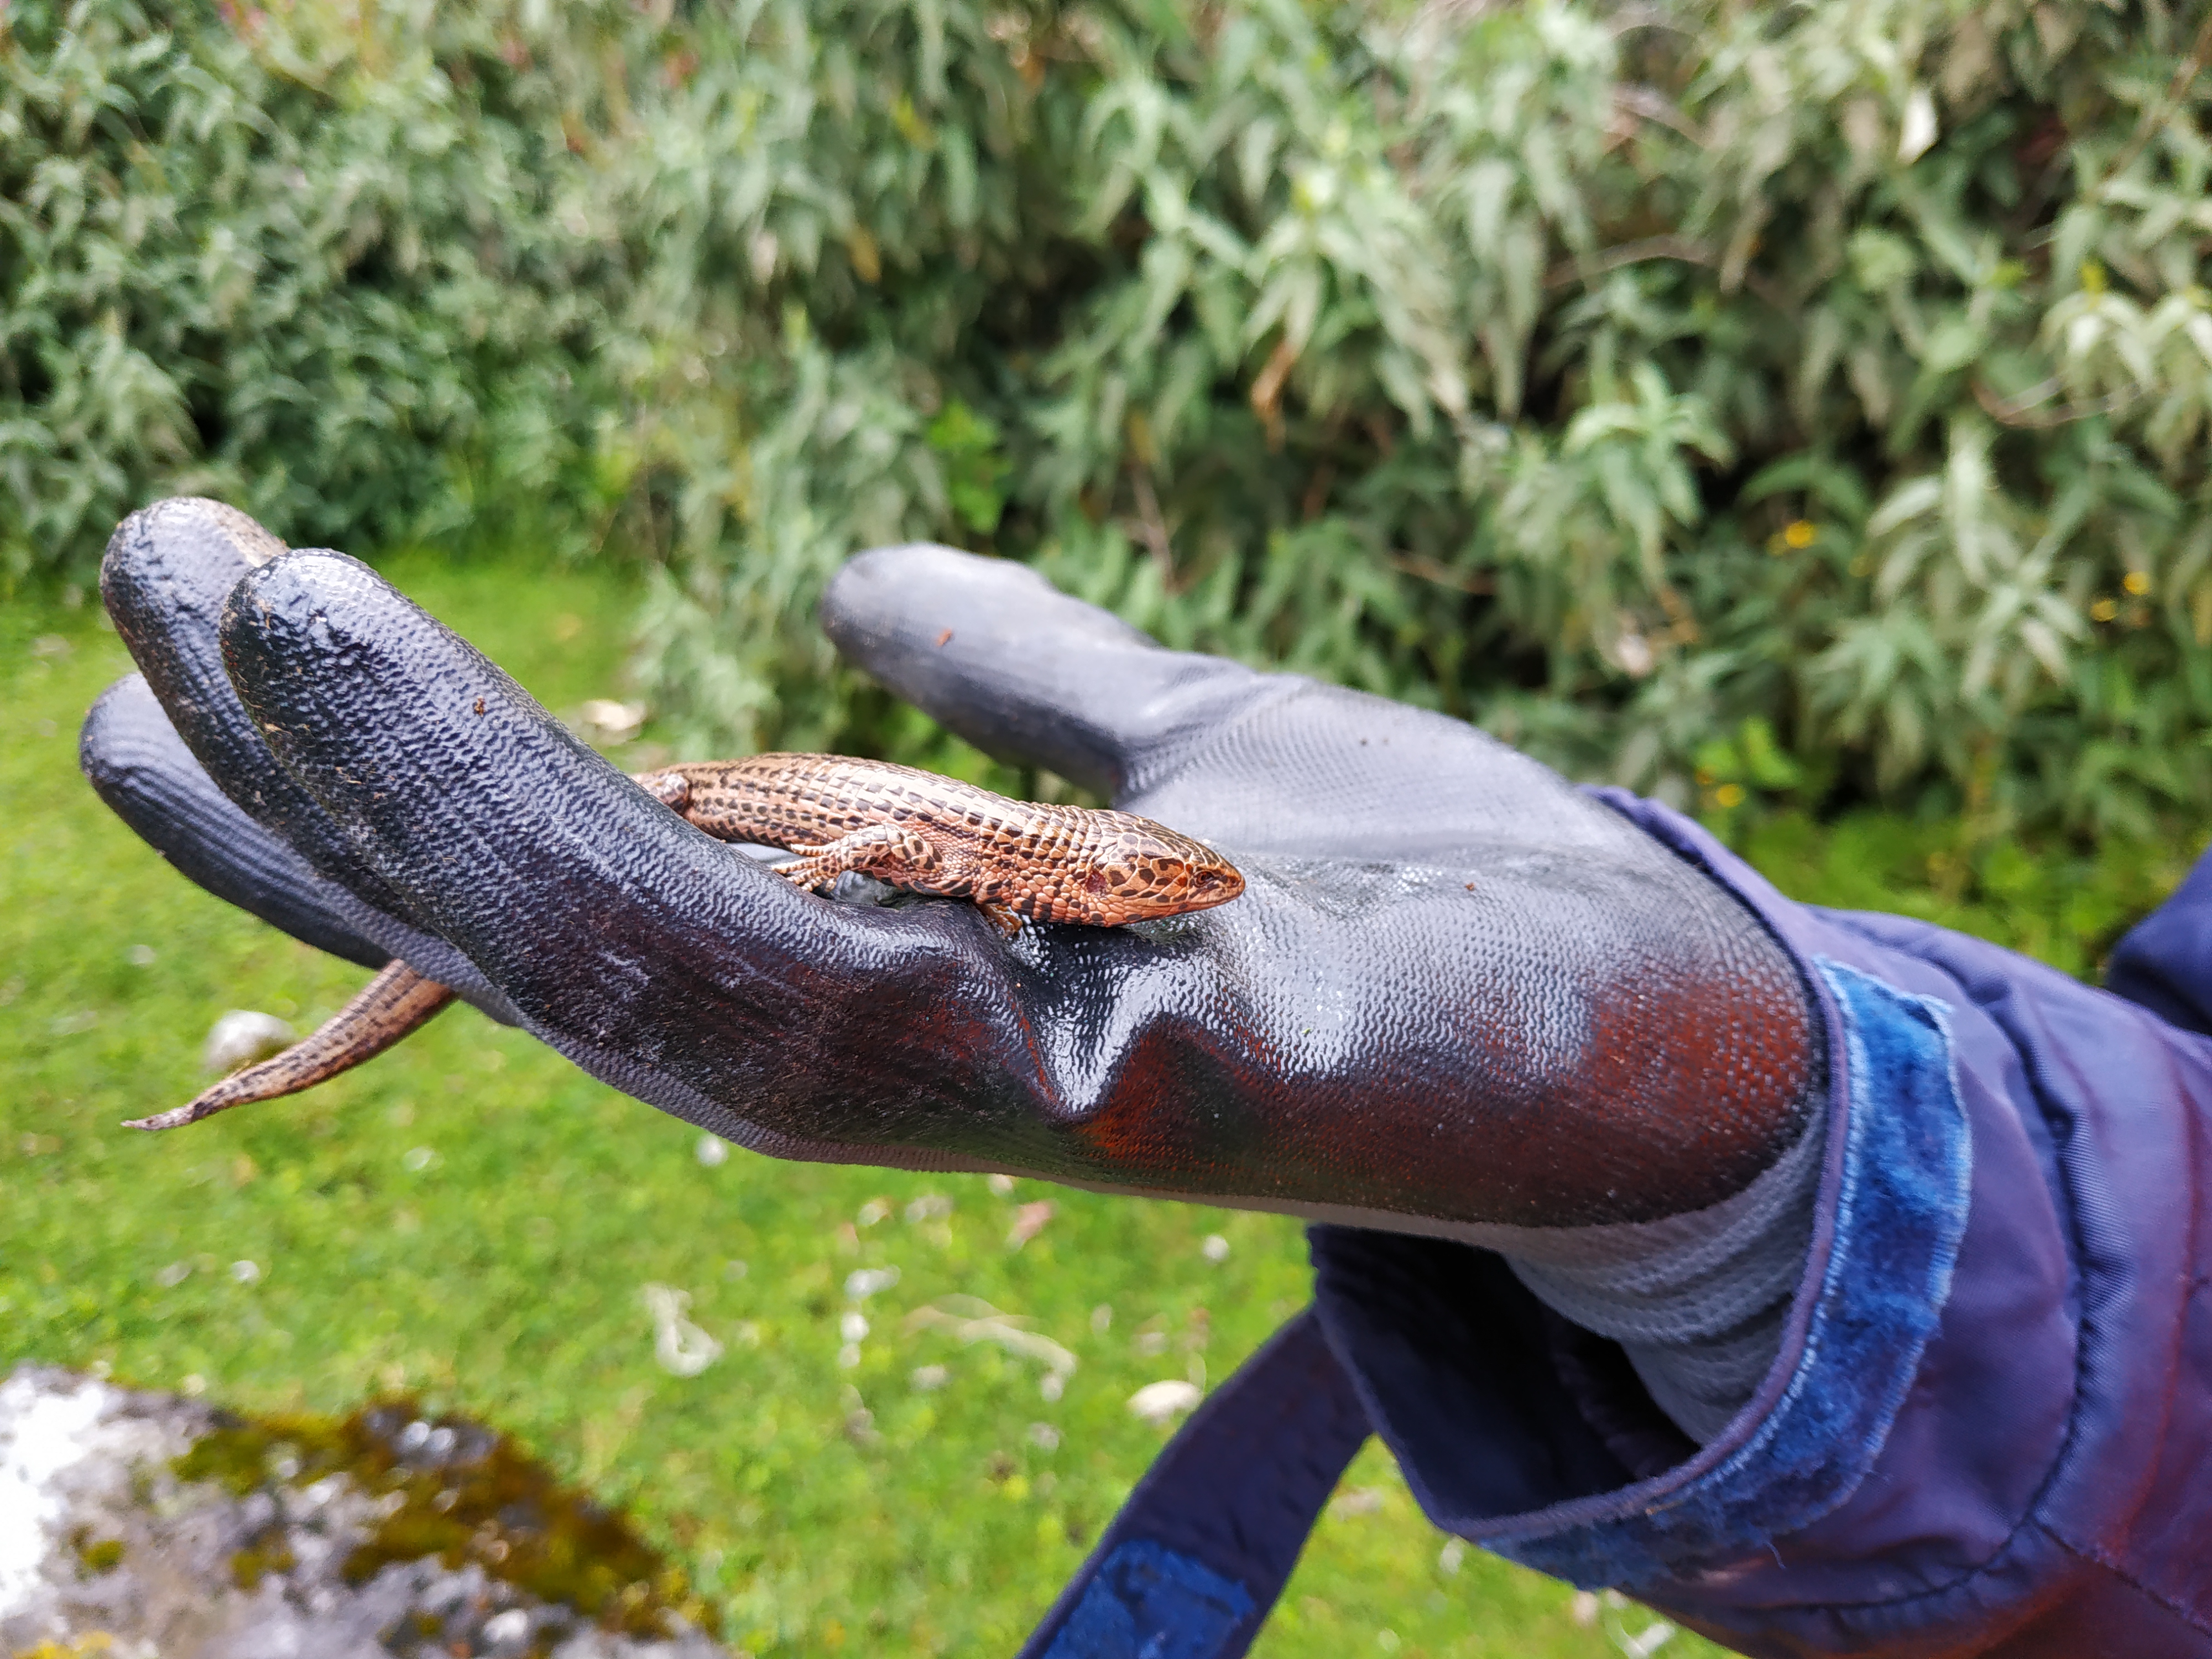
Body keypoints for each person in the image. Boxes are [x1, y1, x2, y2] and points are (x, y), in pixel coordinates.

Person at [79, 499, 2212, 1657]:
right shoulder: (1020, 869)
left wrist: (1772, 1203)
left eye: (1173, 890)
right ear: (1107, 880)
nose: (1184, 896)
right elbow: (892, 842)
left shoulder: (1095, 885)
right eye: (1160, 887)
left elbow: (1084, 879)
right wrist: (1947, 1192)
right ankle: (317, 1036)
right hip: (786, 800)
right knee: (635, 861)